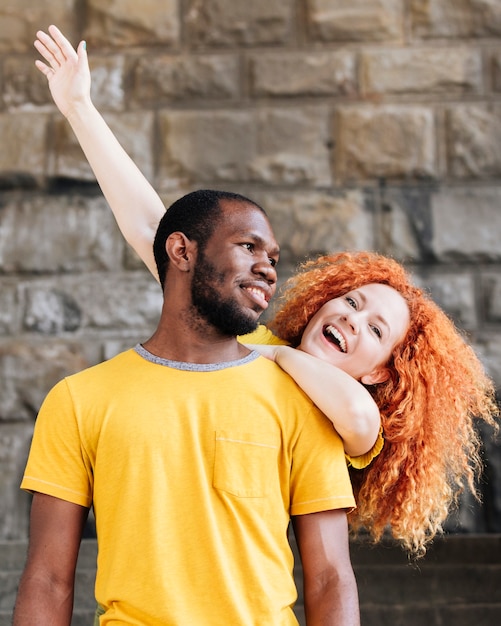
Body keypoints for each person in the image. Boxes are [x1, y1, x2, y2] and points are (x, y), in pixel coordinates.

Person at [33, 26, 499, 558]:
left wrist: (265, 354)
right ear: (323, 301)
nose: (352, 318)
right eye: (351, 301)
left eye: (375, 330)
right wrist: (80, 110)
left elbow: (361, 416)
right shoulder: (255, 342)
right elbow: (152, 231)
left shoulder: (326, 412)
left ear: (380, 372)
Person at [13, 189, 360, 625]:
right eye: (248, 246)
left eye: (272, 258)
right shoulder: (79, 398)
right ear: (181, 251)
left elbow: (330, 577)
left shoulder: (300, 399)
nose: (268, 270)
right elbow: (47, 579)